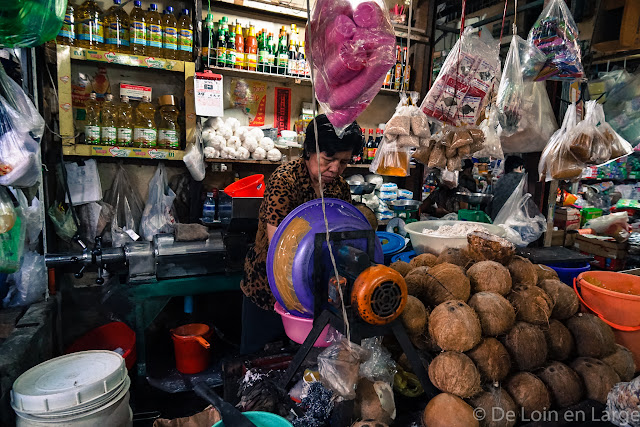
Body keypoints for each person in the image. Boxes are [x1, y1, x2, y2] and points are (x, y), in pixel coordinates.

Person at [240, 114, 364, 354]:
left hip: (318, 290)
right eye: (329, 158)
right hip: (269, 289)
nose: (336, 168)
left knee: (305, 361)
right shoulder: (285, 181)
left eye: (344, 162)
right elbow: (281, 250)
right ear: (309, 150)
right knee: (259, 360)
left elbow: (346, 235)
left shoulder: (339, 187)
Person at [489, 155, 525, 220]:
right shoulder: (522, 178)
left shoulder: (501, 179)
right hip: (513, 220)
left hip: (496, 218)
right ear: (520, 167)